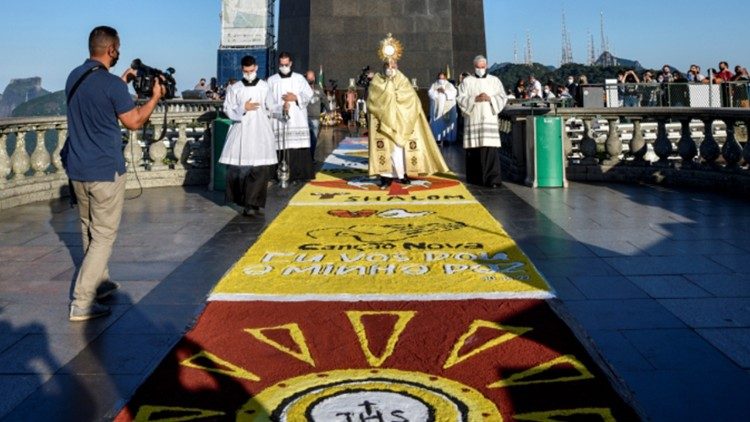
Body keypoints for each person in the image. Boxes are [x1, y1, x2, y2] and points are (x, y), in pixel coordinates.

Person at [62, 26, 164, 321]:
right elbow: (134, 121)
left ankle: (100, 283)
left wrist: (122, 82)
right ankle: (82, 301)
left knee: (87, 228)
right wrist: (154, 98)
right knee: (104, 235)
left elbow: (100, 96)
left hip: (78, 170)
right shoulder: (112, 86)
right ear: (111, 50)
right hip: (105, 171)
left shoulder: (74, 77)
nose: (118, 53)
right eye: (117, 48)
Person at [366, 34, 449, 187]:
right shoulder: (377, 80)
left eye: (393, 65)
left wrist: (397, 98)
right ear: (384, 66)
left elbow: (412, 99)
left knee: (399, 149)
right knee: (386, 149)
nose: (391, 68)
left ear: (397, 65)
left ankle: (400, 173)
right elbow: (372, 99)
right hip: (383, 121)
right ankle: (386, 176)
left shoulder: (403, 79)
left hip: (400, 120)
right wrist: (388, 91)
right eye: (388, 65)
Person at [219, 55, 277, 216]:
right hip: (242, 129)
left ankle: (254, 203)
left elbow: (271, 106)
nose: (249, 74)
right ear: (241, 70)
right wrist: (243, 107)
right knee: (241, 167)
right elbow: (227, 109)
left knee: (260, 168)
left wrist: (283, 109)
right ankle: (246, 203)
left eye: (251, 71)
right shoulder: (235, 88)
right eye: (246, 71)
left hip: (260, 130)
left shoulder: (264, 87)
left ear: (256, 68)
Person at [456, 55, 508, 188]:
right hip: (474, 118)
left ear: (487, 66)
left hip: (488, 118)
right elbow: (460, 98)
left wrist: (490, 98)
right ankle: (475, 178)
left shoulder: (494, 81)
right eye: (478, 67)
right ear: (474, 67)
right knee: (474, 149)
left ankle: (493, 180)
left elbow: (502, 96)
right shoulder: (467, 81)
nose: (480, 69)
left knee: (489, 150)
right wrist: (474, 99)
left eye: (483, 67)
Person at [266, 52, 314, 183]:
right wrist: (280, 108)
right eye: (281, 65)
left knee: (297, 147)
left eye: (286, 64)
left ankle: (299, 175)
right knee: (280, 146)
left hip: (297, 119)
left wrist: (296, 98)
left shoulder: (299, 78)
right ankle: (278, 174)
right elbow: (268, 102)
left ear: (291, 63)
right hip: (279, 119)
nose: (284, 67)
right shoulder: (271, 80)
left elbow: (309, 95)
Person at [428, 71, 458, 143]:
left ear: (445, 77)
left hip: (446, 109)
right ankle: (437, 138)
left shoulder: (450, 85)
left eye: (442, 77)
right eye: (440, 77)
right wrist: (437, 91)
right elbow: (430, 94)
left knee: (446, 123)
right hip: (437, 110)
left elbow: (453, 93)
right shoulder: (434, 85)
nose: (441, 79)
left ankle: (447, 139)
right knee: (437, 123)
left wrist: (445, 91)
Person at [305, 69, 323, 159]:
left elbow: (324, 99)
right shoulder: (303, 88)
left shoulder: (318, 88)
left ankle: (311, 157)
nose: (310, 79)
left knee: (314, 139)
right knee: (305, 139)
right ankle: (306, 158)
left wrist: (329, 110)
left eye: (312, 77)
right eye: (309, 77)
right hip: (305, 117)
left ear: (314, 78)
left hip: (315, 117)